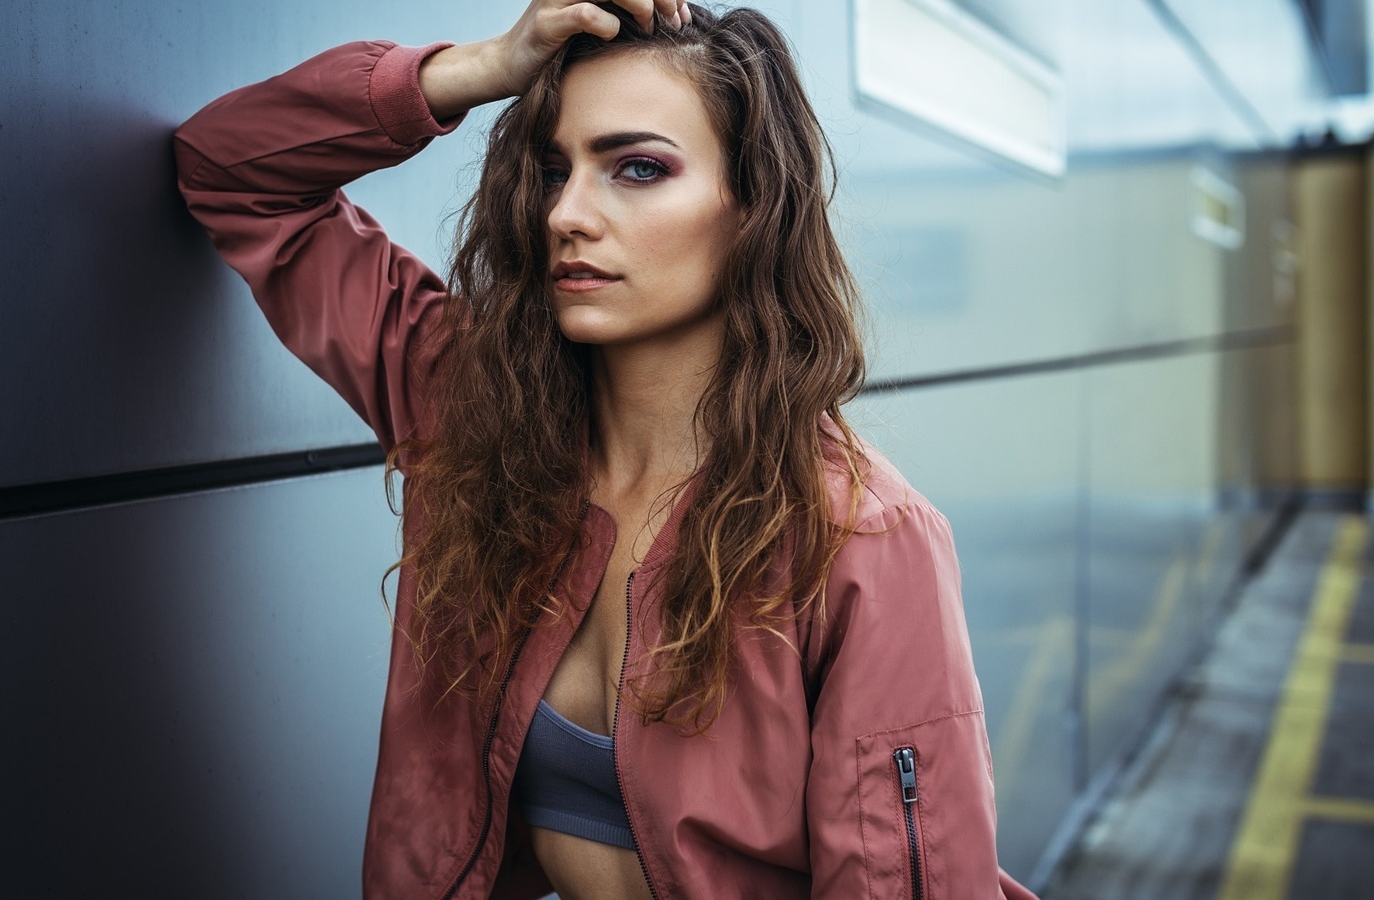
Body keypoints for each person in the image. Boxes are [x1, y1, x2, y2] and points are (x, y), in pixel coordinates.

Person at [175, 1, 1035, 897]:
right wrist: (488, 68)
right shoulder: (474, 414)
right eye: (553, 169)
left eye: (637, 168)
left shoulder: (856, 535)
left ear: (751, 208)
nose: (566, 214)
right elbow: (229, 169)